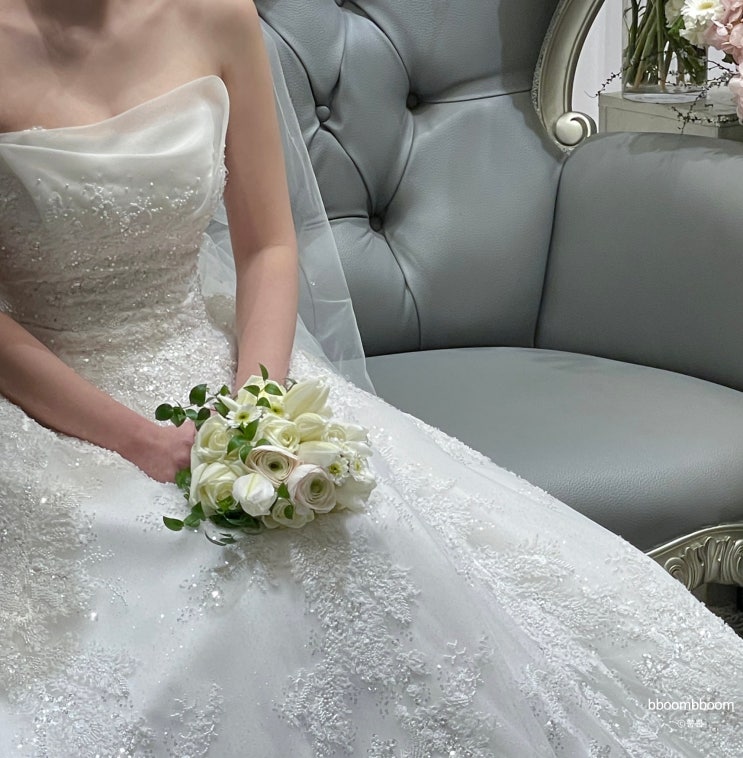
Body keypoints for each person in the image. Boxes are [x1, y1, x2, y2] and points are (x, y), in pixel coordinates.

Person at [0, 1, 741, 755]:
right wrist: (139, 442)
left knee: (371, 546)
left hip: (228, 372)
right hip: (49, 400)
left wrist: (257, 411)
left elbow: (267, 247)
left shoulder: (215, 17)